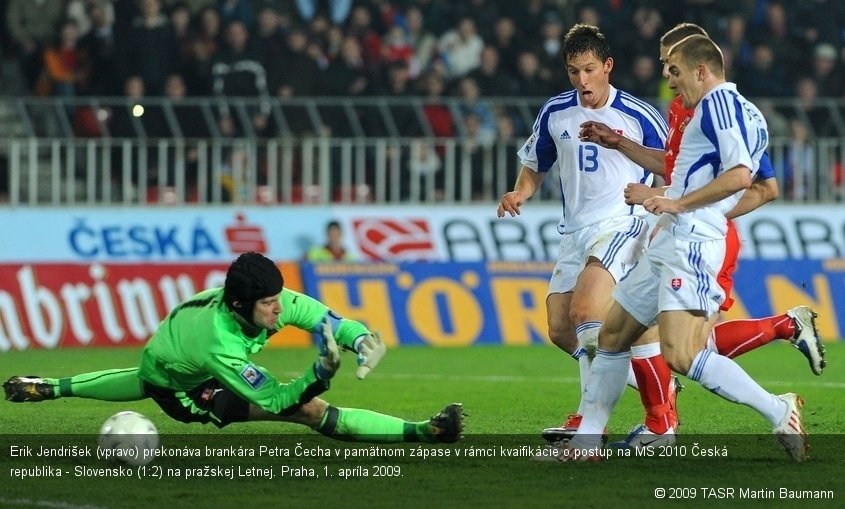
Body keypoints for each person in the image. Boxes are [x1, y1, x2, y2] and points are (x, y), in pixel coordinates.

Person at [573, 23, 825, 448]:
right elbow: (708, 175)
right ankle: (587, 445)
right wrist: (635, 160)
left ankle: (778, 410)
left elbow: (742, 176)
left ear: (700, 68)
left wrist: (679, 204)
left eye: (672, 68)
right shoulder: (740, 112)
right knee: (612, 336)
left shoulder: (718, 107)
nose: (667, 78)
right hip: (673, 236)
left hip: (691, 241)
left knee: (685, 353)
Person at [4, 253, 464, 443]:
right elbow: (278, 399)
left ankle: (50, 386)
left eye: (279, 300)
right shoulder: (218, 345)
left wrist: (361, 338)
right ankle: (425, 432)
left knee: (141, 376)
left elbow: (328, 319)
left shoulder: (266, 299)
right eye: (269, 306)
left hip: (168, 354)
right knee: (308, 409)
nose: (279, 314)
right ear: (243, 304)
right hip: (185, 389)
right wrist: (318, 373)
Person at [497, 23, 668, 442]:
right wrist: (520, 192)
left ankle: (588, 422)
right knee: (561, 329)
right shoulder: (556, 111)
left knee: (586, 311)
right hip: (574, 231)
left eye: (589, 69)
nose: (582, 80)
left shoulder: (638, 114)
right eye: (574, 71)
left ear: (607, 66)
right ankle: (650, 378)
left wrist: (660, 204)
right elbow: (536, 163)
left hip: (621, 224)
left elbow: (673, 164)